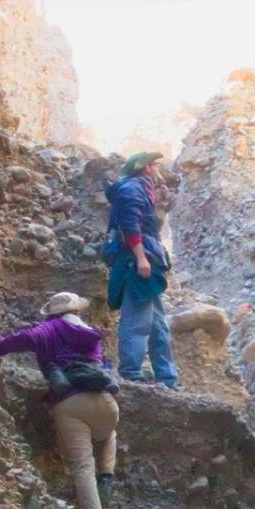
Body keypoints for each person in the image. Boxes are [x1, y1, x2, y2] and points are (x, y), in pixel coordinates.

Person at [0, 293, 119, 509]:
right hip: (107, 403)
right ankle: (107, 473)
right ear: (77, 312)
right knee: (108, 433)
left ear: (52, 314)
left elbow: (22, 339)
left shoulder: (48, 328)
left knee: (82, 464)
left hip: (71, 405)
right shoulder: (92, 335)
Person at [104, 151, 178, 388]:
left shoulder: (138, 189)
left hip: (145, 258)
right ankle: (130, 373)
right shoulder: (133, 189)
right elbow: (129, 225)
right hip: (137, 261)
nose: (158, 170)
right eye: (155, 165)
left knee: (158, 324)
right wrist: (141, 258)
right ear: (146, 168)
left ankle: (166, 377)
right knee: (137, 319)